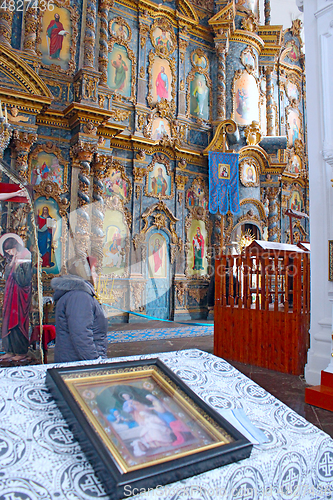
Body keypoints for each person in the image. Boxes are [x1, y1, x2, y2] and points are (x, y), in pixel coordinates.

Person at [51, 255, 107, 363]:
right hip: (78, 362)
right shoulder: (80, 296)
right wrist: (94, 361)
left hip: (74, 359)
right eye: (94, 272)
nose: (96, 276)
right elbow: (81, 335)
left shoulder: (77, 294)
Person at [0, 234, 32, 364]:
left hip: (19, 297)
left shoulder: (25, 256)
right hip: (10, 295)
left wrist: (17, 265)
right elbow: (6, 276)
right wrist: (12, 264)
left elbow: (24, 280)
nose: (8, 253)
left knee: (17, 322)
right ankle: (9, 351)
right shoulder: (14, 258)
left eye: (9, 251)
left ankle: (20, 351)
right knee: (8, 321)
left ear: (15, 246)